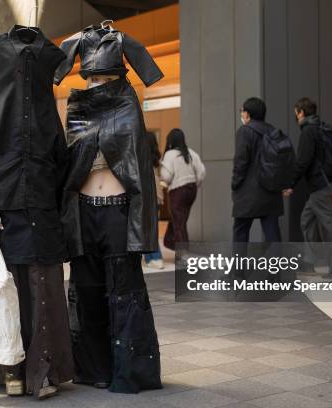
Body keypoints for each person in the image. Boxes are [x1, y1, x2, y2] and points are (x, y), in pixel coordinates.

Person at [0, 25, 74, 399]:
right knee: (6, 294)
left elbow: (59, 162)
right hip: (4, 217)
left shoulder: (44, 110)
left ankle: (41, 372)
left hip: (40, 214)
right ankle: (11, 371)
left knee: (42, 293)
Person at [54, 23, 163, 393]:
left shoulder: (128, 107)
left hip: (117, 210)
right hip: (84, 211)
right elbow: (69, 166)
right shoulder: (77, 107)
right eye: (92, 75)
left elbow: (137, 167)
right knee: (86, 288)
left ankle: (128, 372)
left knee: (124, 291)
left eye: (104, 74)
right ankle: (93, 368)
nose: (97, 80)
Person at [284, 97, 332, 280]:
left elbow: (303, 161)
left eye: (296, 112)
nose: (295, 116)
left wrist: (290, 184)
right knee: (307, 220)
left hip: (320, 185)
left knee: (328, 226)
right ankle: (309, 262)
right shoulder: (321, 128)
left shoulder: (308, 131)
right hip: (326, 184)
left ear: (301, 112)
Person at [231, 97, 283, 242]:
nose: (242, 114)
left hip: (248, 194)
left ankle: (240, 265)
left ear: (247, 114)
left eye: (242, 111)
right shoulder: (274, 131)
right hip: (271, 192)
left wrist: (235, 184)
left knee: (240, 233)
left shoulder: (244, 132)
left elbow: (240, 162)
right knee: (273, 235)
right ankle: (276, 264)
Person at [160, 128, 206, 250]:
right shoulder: (192, 153)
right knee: (180, 219)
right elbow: (201, 172)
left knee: (179, 222)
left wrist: (164, 181)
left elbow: (167, 177)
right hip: (191, 190)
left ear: (170, 141)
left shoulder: (170, 154)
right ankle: (170, 243)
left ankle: (183, 253)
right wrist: (195, 184)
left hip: (177, 191)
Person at [143, 131, 165, 269]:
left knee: (146, 227)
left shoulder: (141, 157)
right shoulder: (157, 159)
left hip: (146, 194)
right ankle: (150, 257)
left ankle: (154, 257)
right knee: (152, 227)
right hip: (157, 196)